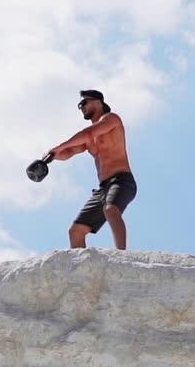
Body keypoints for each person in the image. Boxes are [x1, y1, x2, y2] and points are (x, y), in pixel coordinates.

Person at [47, 90, 137, 250]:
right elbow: (68, 153)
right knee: (75, 231)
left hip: (121, 181)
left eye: (83, 103)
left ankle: (122, 257)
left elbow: (88, 134)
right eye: (79, 105)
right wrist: (49, 156)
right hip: (103, 189)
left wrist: (58, 147)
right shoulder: (89, 140)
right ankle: (79, 271)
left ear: (98, 102)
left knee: (111, 210)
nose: (81, 107)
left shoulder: (111, 119)